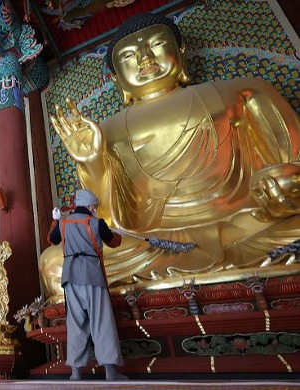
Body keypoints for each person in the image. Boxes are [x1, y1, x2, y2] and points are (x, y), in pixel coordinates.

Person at [40, 12, 300, 301]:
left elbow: (294, 163)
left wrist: (285, 180)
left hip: (249, 225)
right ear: (117, 79)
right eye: (129, 56)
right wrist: (92, 162)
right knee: (56, 264)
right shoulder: (104, 132)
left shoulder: (243, 92)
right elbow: (108, 221)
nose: (145, 58)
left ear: (181, 50)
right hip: (158, 244)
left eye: (156, 45)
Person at [49, 189, 127, 381]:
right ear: (91, 207)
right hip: (92, 276)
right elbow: (114, 242)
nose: (95, 210)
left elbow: (52, 240)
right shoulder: (96, 222)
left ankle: (75, 372)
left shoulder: (64, 223)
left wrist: (55, 220)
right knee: (102, 322)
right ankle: (110, 372)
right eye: (95, 207)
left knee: (75, 324)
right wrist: (119, 234)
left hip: (70, 278)